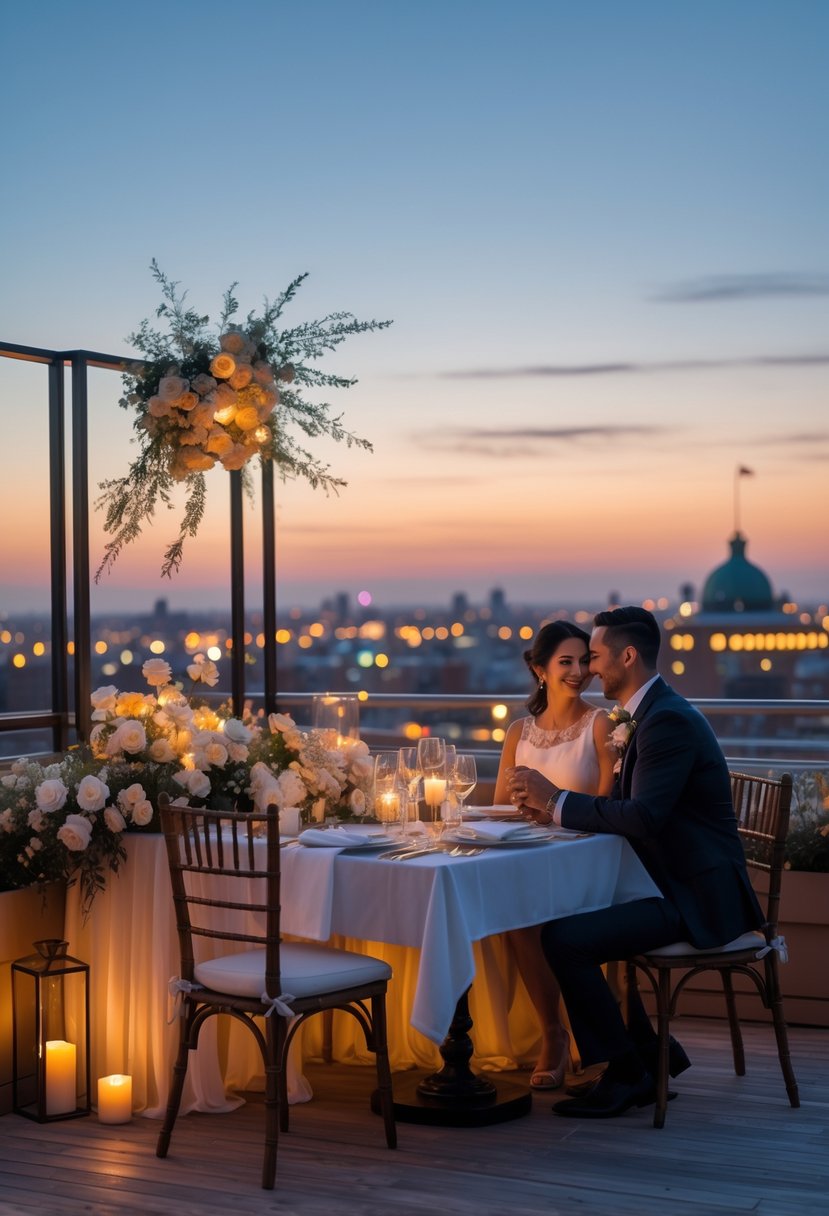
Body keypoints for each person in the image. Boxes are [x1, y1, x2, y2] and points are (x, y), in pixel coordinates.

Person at [507, 606, 764, 1118]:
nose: (589, 670)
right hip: (667, 881)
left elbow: (644, 817)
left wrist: (556, 799)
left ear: (628, 656)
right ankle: (647, 1058)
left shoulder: (664, 721)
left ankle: (624, 1073)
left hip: (691, 896)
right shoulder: (647, 713)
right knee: (562, 920)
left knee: (565, 938)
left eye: (597, 657)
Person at [492, 621, 615, 1089]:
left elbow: (606, 810)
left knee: (525, 915)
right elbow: (503, 810)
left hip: (585, 862)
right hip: (529, 858)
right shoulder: (518, 731)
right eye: (566, 662)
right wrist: (524, 811)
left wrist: (554, 813)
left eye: (585, 661)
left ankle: (568, 1035)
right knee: (508, 911)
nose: (579, 671)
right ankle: (553, 1033)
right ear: (539, 669)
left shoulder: (601, 725)